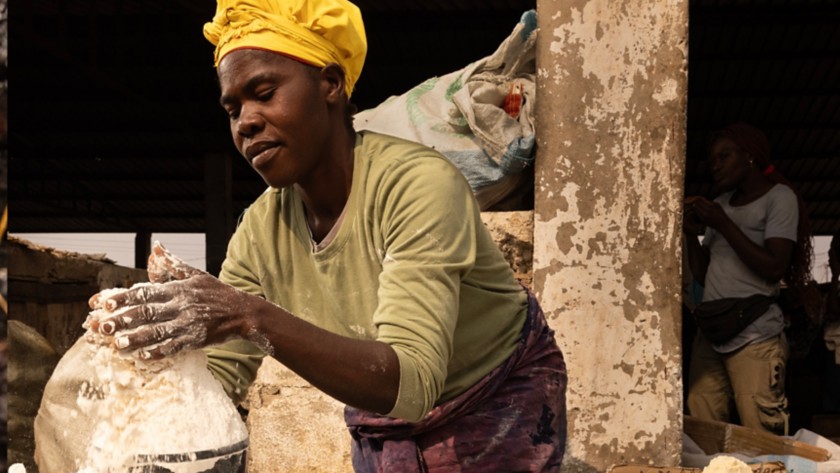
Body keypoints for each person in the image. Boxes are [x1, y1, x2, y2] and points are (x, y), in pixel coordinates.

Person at [88, 0, 568, 471]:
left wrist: (246, 315)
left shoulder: (416, 185)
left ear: (330, 84)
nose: (246, 122)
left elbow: (414, 383)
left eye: (264, 91)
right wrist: (144, 378)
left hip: (496, 396)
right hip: (383, 413)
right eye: (233, 109)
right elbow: (220, 374)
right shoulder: (260, 230)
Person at [683, 121, 815, 435]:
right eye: (712, 159)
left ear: (750, 156)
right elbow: (703, 274)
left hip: (754, 333)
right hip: (713, 330)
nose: (715, 166)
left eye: (724, 156)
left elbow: (774, 268)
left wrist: (723, 222)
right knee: (703, 424)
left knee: (761, 428)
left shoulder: (779, 198)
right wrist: (690, 235)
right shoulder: (724, 204)